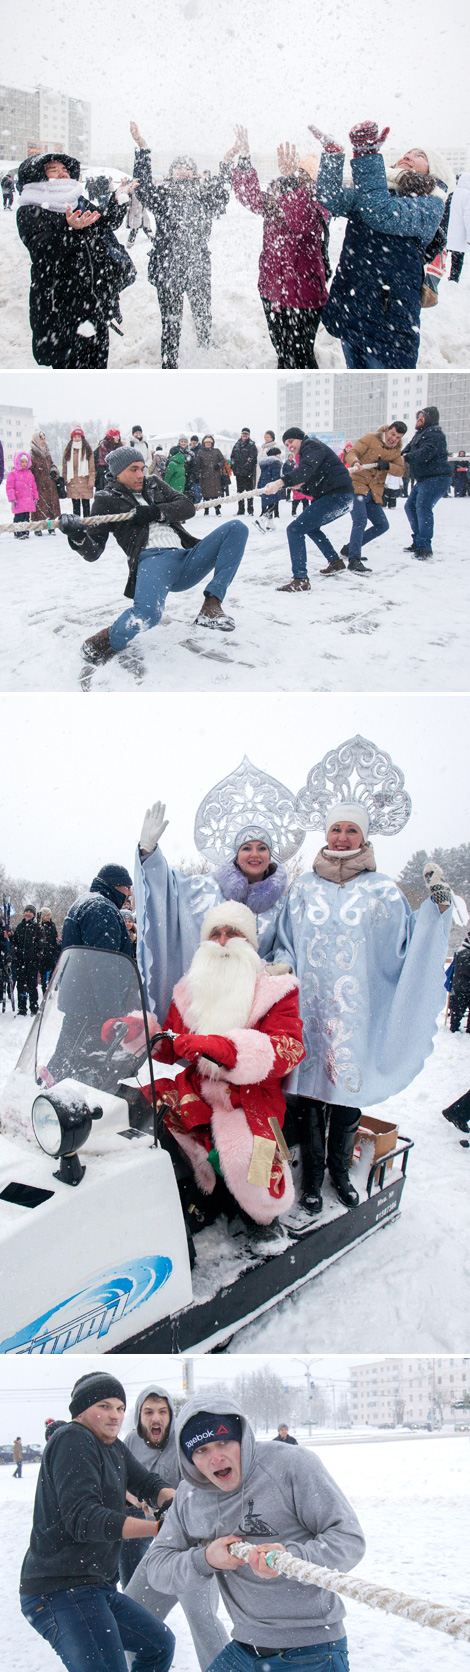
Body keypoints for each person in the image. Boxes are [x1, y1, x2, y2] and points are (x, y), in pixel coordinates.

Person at [274, 734, 452, 1215]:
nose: (342, 839)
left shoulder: (384, 892)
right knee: (309, 1098)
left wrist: (437, 910)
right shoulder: (303, 888)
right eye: (336, 831)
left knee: (348, 1098)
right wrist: (282, 962)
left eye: (351, 832)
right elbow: (286, 939)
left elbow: (406, 946)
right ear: (326, 835)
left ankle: (338, 1172)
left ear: (364, 837)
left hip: (356, 1017)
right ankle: (310, 1179)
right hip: (309, 1013)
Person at [144, 1392, 366, 1672]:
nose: (216, 1459)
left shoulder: (292, 1465)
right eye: (201, 1450)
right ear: (188, 1458)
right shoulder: (189, 1496)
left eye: (224, 1442)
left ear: (242, 1437)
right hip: (244, 1647)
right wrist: (206, 1559)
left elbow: (349, 1538)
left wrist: (292, 1559)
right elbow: (157, 1566)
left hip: (312, 1648)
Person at [145, 900, 304, 1243]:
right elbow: (174, 1043)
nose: (222, 941)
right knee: (148, 1109)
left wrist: (229, 1050)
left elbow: (289, 1049)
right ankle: (203, 1191)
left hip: (255, 1098)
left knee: (255, 1158)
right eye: (215, 933)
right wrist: (144, 1035)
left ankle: (265, 1216)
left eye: (233, 933)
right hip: (199, 1089)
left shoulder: (276, 990)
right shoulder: (189, 991)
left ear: (249, 943)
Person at [20, 1371, 176, 1672]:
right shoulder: (73, 1439)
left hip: (95, 1587)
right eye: (104, 1406)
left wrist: (174, 1503)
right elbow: (84, 1518)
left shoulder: (113, 1446)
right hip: (60, 1590)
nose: (115, 1415)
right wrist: (157, 1528)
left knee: (159, 1645)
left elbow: (147, 1482)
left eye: (119, 1408)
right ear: (82, 1410)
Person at [134, 756, 304, 1022]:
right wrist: (149, 853)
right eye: (247, 848)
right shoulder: (206, 890)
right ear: (236, 855)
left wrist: (281, 963)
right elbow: (169, 892)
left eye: (262, 848)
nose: (254, 854)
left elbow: (288, 943)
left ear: (271, 856)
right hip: (213, 1002)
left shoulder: (282, 904)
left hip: (258, 1004)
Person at [61, 447, 248, 662]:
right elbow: (93, 552)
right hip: (153, 560)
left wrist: (157, 511)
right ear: (118, 472)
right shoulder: (106, 499)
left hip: (186, 557)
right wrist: (77, 536)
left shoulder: (153, 483)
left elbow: (187, 506)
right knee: (148, 615)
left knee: (236, 528)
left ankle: (212, 605)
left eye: (142, 468)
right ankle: (108, 640)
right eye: (134, 470)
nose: (141, 474)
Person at [311, 120, 453, 369]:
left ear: (434, 172)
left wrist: (365, 154)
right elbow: (330, 198)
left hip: (388, 325)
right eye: (407, 153)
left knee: (377, 388)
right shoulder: (377, 191)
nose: (409, 156)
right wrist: (333, 156)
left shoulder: (431, 204)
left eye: (420, 156)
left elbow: (381, 213)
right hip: (354, 312)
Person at [121, 1386, 228, 1670]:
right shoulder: (130, 1441)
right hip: (162, 1544)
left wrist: (167, 1500)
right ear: (139, 1416)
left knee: (202, 1620)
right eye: (149, 1412)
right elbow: (127, 1483)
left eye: (163, 1412)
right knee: (131, 1615)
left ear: (171, 1416)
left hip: (195, 1545)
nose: (156, 1418)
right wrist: (138, 1498)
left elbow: (203, 1485)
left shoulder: (183, 1443)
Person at [129, 121, 238, 368]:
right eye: (177, 167)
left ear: (194, 172)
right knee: (170, 321)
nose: (182, 170)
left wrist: (227, 161)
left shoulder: (204, 195)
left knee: (202, 313)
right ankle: (170, 362)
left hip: (197, 265)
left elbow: (223, 193)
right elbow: (143, 187)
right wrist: (143, 149)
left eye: (187, 167)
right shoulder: (162, 196)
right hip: (168, 269)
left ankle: (205, 347)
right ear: (171, 172)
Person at [16, 151, 136, 368]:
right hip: (61, 307)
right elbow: (42, 250)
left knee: (97, 367)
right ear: (38, 176)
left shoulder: (77, 201)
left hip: (94, 302)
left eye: (64, 170)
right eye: (53, 170)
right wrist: (70, 230)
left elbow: (103, 222)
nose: (62, 174)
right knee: (70, 374)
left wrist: (117, 200)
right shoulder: (30, 209)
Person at [233, 129, 329, 368]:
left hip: (303, 295)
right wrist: (245, 158)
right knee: (282, 352)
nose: (298, 178)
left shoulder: (321, 202)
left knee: (302, 357)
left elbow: (300, 220)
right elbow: (250, 197)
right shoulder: (276, 199)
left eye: (303, 175)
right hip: (272, 290)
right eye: (296, 172)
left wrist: (288, 181)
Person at [265, 426, 353, 588]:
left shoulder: (311, 445)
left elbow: (306, 470)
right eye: (286, 444)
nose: (290, 446)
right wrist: (301, 487)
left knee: (295, 529)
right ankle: (335, 562)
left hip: (338, 496)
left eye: (291, 441)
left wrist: (281, 482)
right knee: (310, 527)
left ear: (300, 438)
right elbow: (314, 481)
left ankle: (300, 579)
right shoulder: (309, 451)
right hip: (340, 496)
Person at [339, 421, 408, 574]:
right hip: (357, 487)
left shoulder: (395, 452)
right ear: (387, 430)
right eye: (392, 434)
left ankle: (350, 548)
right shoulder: (370, 439)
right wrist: (355, 462)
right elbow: (352, 453)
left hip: (374, 492)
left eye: (398, 437)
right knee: (360, 520)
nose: (393, 439)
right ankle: (354, 559)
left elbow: (400, 471)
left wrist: (387, 466)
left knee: (382, 525)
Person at [402, 406, 452, 558]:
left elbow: (426, 453)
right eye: (417, 417)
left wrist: (406, 457)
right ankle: (418, 541)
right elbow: (407, 450)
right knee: (410, 506)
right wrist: (398, 456)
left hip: (437, 477)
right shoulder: (420, 434)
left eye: (421, 417)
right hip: (425, 478)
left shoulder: (434, 433)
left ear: (429, 419)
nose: (418, 420)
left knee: (422, 507)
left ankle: (424, 547)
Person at [61, 864, 134, 955]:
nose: (130, 893)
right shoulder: (102, 909)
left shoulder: (85, 902)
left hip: (78, 967)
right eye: (127, 887)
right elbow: (103, 961)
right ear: (114, 885)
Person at [29, 431, 61, 533]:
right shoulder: (32, 454)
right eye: (41, 439)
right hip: (38, 486)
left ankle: (50, 527)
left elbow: (52, 465)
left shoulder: (47, 452)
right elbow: (29, 471)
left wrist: (53, 471)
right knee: (39, 507)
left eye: (44, 439)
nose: (43, 441)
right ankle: (38, 527)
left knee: (50, 507)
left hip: (50, 485)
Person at [13, 905, 41, 1015]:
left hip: (32, 962)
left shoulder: (37, 928)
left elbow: (41, 944)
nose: (28, 913)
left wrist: (36, 955)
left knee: (32, 985)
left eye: (30, 912)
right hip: (21, 961)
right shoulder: (20, 927)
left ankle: (34, 1007)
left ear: (33, 914)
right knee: (21, 985)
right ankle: (22, 1008)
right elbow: (15, 942)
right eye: (26, 911)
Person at [62, 426, 95, 519]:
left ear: (82, 438)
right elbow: (65, 467)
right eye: (75, 436)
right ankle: (77, 525)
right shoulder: (68, 450)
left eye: (79, 436)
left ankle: (87, 525)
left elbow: (92, 468)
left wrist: (91, 481)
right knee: (75, 507)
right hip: (73, 481)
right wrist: (65, 480)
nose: (77, 439)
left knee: (86, 506)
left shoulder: (88, 450)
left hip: (85, 481)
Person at [5, 450, 39, 538]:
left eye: (25, 462)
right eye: (22, 461)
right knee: (18, 518)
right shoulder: (12, 474)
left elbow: (33, 486)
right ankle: (18, 533)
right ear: (17, 462)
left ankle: (25, 532)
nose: (24, 464)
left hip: (28, 500)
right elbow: (9, 487)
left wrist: (35, 496)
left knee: (26, 517)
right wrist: (12, 498)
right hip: (18, 500)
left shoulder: (29, 473)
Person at [193, 435, 226, 515]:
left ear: (212, 443)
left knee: (216, 495)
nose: (208, 444)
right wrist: (197, 475)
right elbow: (197, 465)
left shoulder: (216, 451)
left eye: (209, 442)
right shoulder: (201, 452)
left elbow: (223, 461)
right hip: (205, 477)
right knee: (205, 495)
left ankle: (217, 510)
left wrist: (218, 465)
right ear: (204, 443)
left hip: (215, 476)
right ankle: (206, 510)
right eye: (206, 442)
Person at [230, 429, 258, 515]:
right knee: (240, 492)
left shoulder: (252, 445)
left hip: (248, 473)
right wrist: (233, 465)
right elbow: (232, 456)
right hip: (239, 473)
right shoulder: (237, 444)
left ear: (249, 435)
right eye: (243, 434)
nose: (244, 435)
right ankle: (241, 509)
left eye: (246, 434)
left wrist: (247, 465)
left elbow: (253, 458)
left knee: (249, 492)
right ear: (241, 434)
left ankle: (250, 510)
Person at [447, 171, 470, 266]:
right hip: (460, 232)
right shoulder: (468, 195)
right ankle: (453, 279)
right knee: (457, 258)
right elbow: (468, 217)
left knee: (441, 257)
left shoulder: (452, 192)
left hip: (446, 230)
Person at [449, 929, 470, 1033]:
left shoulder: (463, 952)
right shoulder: (464, 953)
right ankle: (454, 1028)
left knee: (458, 1009)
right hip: (462, 987)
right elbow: (467, 970)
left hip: (463, 987)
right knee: (458, 1010)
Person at [38, 907, 61, 994]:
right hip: (43, 952)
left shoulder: (52, 925)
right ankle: (44, 989)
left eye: (49, 915)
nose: (48, 916)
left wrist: (57, 939)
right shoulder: (40, 926)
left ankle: (52, 985)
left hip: (52, 951)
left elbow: (55, 935)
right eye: (47, 915)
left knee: (53, 970)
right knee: (43, 973)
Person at [258, 446, 284, 518]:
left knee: (265, 501)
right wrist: (279, 483)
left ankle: (264, 512)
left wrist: (259, 485)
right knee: (273, 502)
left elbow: (261, 475)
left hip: (264, 484)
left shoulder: (264, 464)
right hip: (272, 485)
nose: (279, 456)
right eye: (278, 454)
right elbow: (276, 476)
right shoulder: (276, 462)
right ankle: (272, 515)